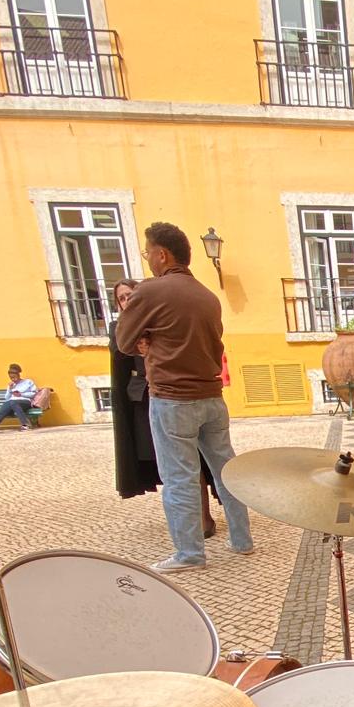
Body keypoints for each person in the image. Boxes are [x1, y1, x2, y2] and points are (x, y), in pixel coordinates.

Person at [114, 222, 253, 572]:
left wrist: (147, 341)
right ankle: (242, 540)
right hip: (211, 397)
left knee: (180, 478)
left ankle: (190, 554)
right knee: (226, 470)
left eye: (148, 252)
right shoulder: (208, 296)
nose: (147, 259)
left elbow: (124, 340)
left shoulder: (150, 292)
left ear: (162, 254)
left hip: (173, 399)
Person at [109, 280, 219, 536]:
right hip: (143, 400)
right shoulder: (120, 329)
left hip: (175, 396)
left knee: (189, 463)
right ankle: (183, 523)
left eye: (130, 296)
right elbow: (120, 362)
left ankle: (202, 521)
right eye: (122, 298)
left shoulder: (160, 323)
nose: (127, 301)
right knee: (170, 467)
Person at [0, 364, 38, 432]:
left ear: (18, 375)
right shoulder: (11, 385)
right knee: (6, 404)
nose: (13, 379)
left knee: (12, 402)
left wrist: (21, 394)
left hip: (25, 402)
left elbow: (34, 394)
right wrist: (10, 389)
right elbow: (7, 398)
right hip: (12, 404)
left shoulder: (28, 382)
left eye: (14, 377)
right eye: (11, 378)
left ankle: (26, 424)